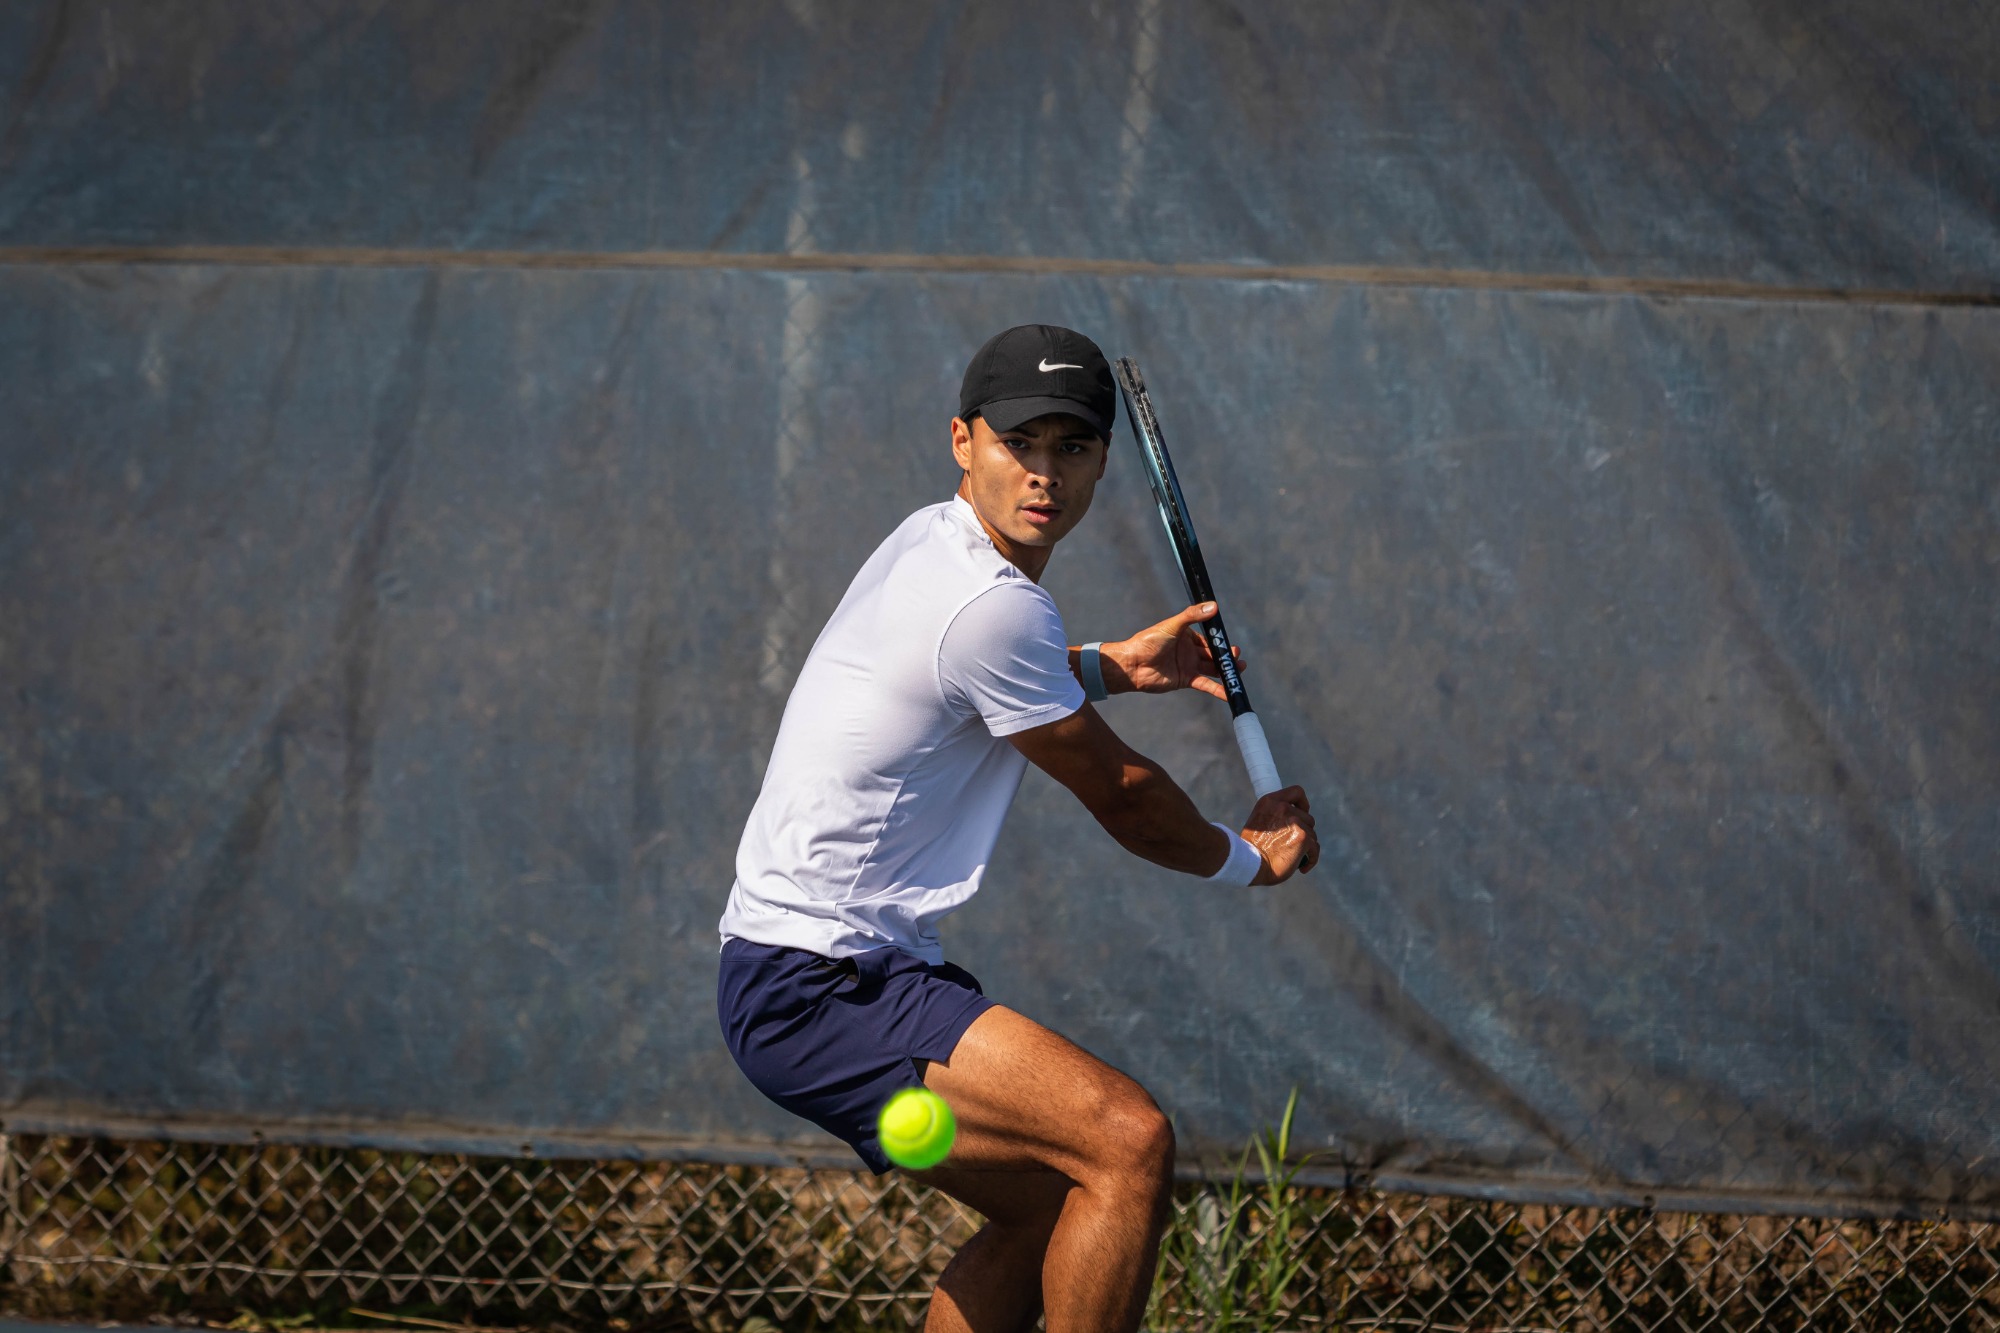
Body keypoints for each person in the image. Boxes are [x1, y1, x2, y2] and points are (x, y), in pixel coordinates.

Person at [716, 324, 1318, 1333]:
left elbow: (955, 680)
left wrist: (1110, 667)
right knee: (1124, 1141)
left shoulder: (930, 542)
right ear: (963, 440)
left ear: (1098, 462)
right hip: (817, 982)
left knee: (1052, 1204)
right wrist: (1244, 859)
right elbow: (1123, 794)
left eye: (1071, 448)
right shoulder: (987, 605)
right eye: (1016, 442)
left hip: (813, 972)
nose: (1042, 474)